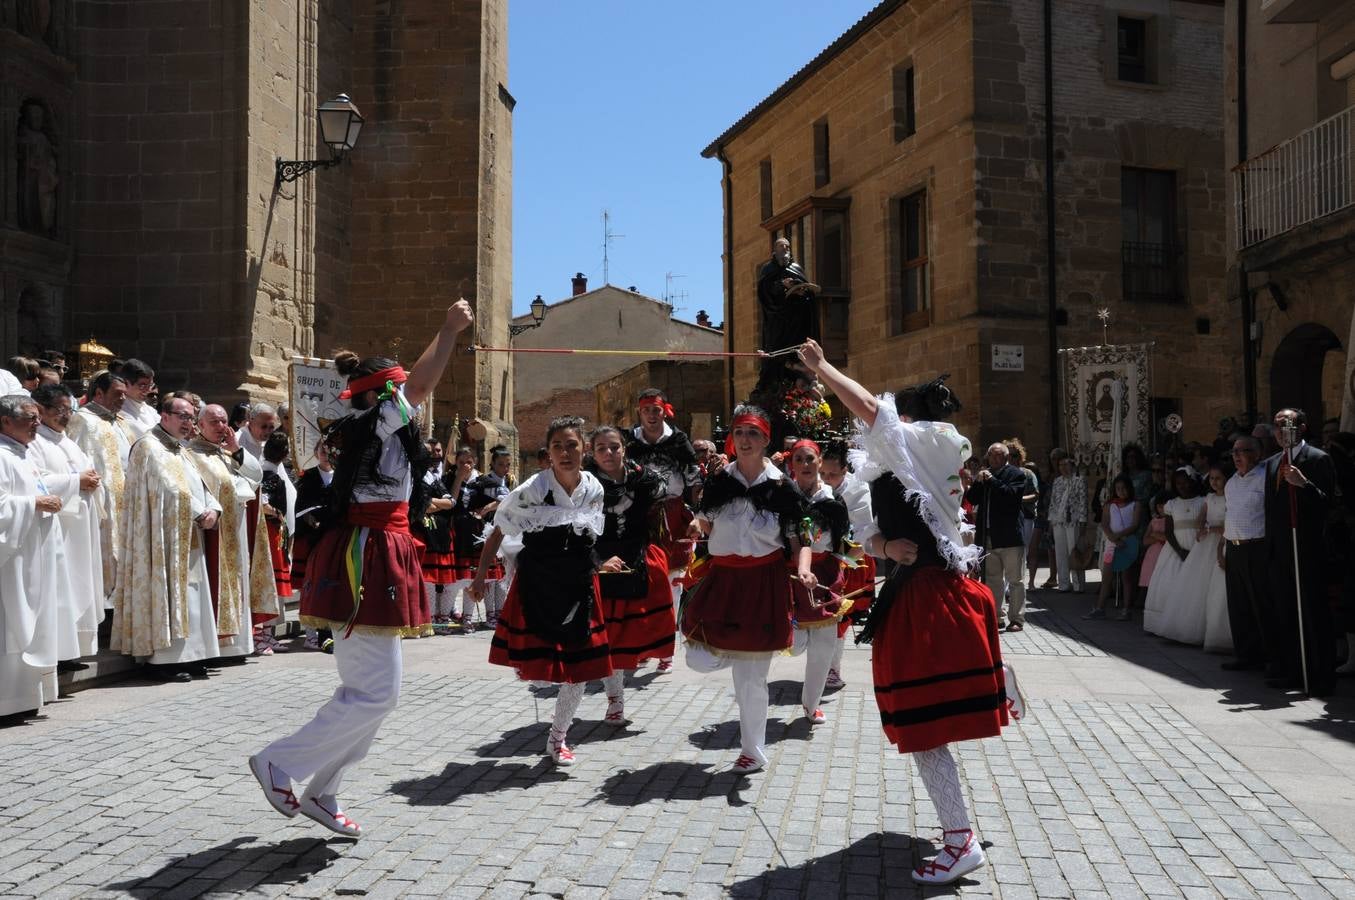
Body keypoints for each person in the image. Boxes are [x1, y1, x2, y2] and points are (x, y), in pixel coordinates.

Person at [798, 341, 1020, 886]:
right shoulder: (894, 466)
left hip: (931, 601)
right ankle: (999, 682)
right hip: (919, 593)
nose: (880, 422)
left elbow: (875, 414)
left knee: (924, 730)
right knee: (928, 727)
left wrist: (824, 368)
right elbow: (865, 534)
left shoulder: (932, 443)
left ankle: (959, 840)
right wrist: (884, 548)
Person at [249, 299, 473, 837]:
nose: (411, 403)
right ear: (379, 396)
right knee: (371, 691)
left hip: (380, 546)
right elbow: (416, 387)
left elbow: (412, 389)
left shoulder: (380, 425)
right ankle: (279, 761)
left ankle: (324, 791)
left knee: (381, 693)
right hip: (365, 553)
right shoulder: (376, 421)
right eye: (396, 392)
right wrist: (447, 330)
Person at [475, 416, 614, 766]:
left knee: (580, 668)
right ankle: (555, 736)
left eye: (571, 445)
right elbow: (498, 532)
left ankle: (558, 737)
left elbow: (589, 536)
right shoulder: (534, 489)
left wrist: (600, 562)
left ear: (583, 448)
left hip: (579, 585)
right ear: (548, 453)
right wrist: (479, 578)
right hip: (538, 583)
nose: (565, 452)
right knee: (545, 661)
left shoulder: (594, 488)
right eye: (557, 446)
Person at [681, 404, 804, 773]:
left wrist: (805, 570)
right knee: (697, 658)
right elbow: (703, 520)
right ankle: (734, 653)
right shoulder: (719, 482)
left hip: (764, 582)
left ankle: (752, 751)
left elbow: (800, 537)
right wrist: (694, 524)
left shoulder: (783, 487)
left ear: (766, 440)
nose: (745, 440)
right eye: (739, 433)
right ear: (731, 440)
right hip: (724, 579)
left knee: (752, 678)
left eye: (753, 433)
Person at [110, 395, 222, 683]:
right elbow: (168, 488)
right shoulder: (149, 446)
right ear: (165, 416)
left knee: (192, 595)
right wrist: (201, 511)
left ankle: (194, 655)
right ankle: (162, 661)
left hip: (187, 531)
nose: (188, 423)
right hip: (160, 537)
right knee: (170, 592)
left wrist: (214, 507)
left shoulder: (180, 449)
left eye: (191, 417)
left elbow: (199, 484)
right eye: (183, 416)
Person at [583, 426, 674, 721]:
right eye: (601, 449)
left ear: (624, 448)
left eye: (614, 447)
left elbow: (663, 510)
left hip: (637, 559)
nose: (608, 454)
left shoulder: (645, 479)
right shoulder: (584, 484)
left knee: (627, 636)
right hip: (598, 561)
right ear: (592, 452)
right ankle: (611, 700)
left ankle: (618, 699)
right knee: (603, 638)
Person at [189, 404, 278, 661]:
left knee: (238, 581)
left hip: (236, 531)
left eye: (224, 422)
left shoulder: (227, 453)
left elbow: (256, 476)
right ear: (200, 425)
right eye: (214, 422)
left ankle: (239, 644)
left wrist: (236, 450)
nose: (221, 427)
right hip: (213, 533)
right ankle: (219, 644)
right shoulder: (190, 454)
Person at [626, 388, 700, 673]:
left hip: (672, 515)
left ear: (664, 410)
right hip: (641, 515)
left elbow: (694, 478)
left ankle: (666, 648)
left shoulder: (678, 441)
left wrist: (700, 515)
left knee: (672, 585)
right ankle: (644, 645)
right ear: (639, 412)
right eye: (646, 410)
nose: (652, 415)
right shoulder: (630, 441)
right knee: (643, 582)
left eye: (656, 410)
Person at [29, 384, 103, 664]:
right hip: (57, 528)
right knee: (61, 589)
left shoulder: (69, 442)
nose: (65, 416)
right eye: (59, 410)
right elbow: (37, 483)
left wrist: (93, 482)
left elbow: (87, 475)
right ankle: (59, 652)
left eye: (68, 409)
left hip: (81, 528)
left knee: (80, 584)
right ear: (42, 410)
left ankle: (75, 649)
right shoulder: (35, 442)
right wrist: (77, 481)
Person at [1264, 408, 1335, 694]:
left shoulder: (1318, 459)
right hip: (1281, 550)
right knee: (1286, 613)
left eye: (1287, 425)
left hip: (1308, 549)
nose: (1282, 431)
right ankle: (1293, 671)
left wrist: (1303, 484)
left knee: (1313, 613)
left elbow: (1328, 504)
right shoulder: (1271, 464)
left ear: (1302, 428)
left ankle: (1321, 677)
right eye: (1278, 426)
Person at [0, 394, 63, 717]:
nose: (37, 423)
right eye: (30, 417)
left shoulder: (22, 454)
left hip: (31, 553)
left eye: (38, 417)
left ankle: (24, 699)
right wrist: (34, 504)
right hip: (10, 561)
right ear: (5, 421)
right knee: (9, 625)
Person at [784, 438, 852, 725]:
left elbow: (842, 539)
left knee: (823, 647)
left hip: (825, 575)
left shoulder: (833, 500)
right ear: (792, 465)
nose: (805, 464)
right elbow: (791, 540)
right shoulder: (784, 498)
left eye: (810, 458)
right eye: (799, 459)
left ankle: (811, 705)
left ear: (820, 462)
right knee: (795, 643)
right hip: (790, 575)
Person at [66, 371, 131, 610]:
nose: (122, 399)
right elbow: (76, 457)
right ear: (99, 393)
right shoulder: (83, 419)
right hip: (100, 502)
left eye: (125, 394)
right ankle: (101, 610)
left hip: (124, 501)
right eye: (117, 394)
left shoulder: (121, 422)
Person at [819, 442, 879, 690]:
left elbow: (863, 535)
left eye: (832, 474)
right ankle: (821, 665)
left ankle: (832, 669)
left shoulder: (858, 489)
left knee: (838, 617)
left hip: (851, 557)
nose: (826, 479)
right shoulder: (818, 485)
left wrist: (833, 553)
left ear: (845, 470)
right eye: (823, 473)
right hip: (820, 557)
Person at [964, 442, 1027, 631]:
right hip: (988, 536)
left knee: (1015, 579)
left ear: (1006, 458)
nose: (995, 459)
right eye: (992, 455)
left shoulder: (1016, 474)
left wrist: (992, 481)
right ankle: (996, 616)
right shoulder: (985, 476)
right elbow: (972, 499)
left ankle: (1016, 618)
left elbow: (1011, 497)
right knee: (992, 579)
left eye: (999, 455)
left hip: (1009, 537)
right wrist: (977, 482)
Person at [1221, 436, 1268, 671]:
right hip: (1234, 547)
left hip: (1257, 547)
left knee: (1261, 603)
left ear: (1257, 454)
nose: (1237, 456)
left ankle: (1269, 657)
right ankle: (1245, 654)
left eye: (1243, 451)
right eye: (1234, 451)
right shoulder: (1231, 482)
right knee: (1238, 605)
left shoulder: (1264, 479)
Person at [1142, 469, 1205, 637]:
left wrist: (1196, 551)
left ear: (1193, 481)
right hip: (1176, 549)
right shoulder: (1172, 505)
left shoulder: (1202, 502)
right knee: (1169, 584)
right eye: (1178, 483)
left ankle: (1190, 626)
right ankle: (1165, 624)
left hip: (1197, 549)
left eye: (1185, 482)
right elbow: (1169, 531)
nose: (1182, 486)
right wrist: (1180, 551)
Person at [1177, 465, 1231, 653]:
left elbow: (1229, 524)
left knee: (1217, 586)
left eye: (1218, 478)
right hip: (1206, 543)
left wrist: (1212, 529)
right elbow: (1202, 518)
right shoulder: (1209, 498)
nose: (1214, 482)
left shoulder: (1231, 498)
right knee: (1198, 585)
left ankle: (1219, 632)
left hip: (1223, 541)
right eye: (1212, 478)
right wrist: (1201, 527)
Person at [755, 237, 819, 388]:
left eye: (787, 247)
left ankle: (798, 376)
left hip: (796, 320)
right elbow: (764, 292)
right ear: (775, 250)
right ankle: (774, 384)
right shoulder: (767, 269)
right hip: (776, 320)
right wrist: (780, 285)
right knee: (776, 352)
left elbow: (807, 292)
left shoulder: (796, 267)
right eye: (782, 246)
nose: (785, 249)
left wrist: (803, 292)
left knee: (795, 349)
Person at [293, 440, 335, 652]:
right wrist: (315, 522)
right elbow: (300, 507)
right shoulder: (307, 477)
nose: (326, 454)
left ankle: (330, 631)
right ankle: (310, 635)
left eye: (329, 451)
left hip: (334, 538)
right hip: (312, 538)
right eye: (322, 451)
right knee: (309, 586)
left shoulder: (342, 476)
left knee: (331, 586)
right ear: (316, 453)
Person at [465, 447, 513, 628]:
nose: (505, 468)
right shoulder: (485, 482)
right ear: (492, 463)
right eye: (501, 464)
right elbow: (504, 499)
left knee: (501, 575)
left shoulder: (507, 481)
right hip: (488, 531)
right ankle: (490, 613)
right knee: (491, 576)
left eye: (508, 465)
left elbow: (508, 500)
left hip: (504, 531)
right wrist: (488, 508)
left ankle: (500, 611)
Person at [1082, 475, 1141, 620]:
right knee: (1107, 576)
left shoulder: (1135, 504)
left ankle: (1126, 609)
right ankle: (1100, 607)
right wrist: (1113, 538)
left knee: (1126, 577)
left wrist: (1120, 536)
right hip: (1111, 544)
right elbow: (1105, 524)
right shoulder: (1109, 505)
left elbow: (1135, 525)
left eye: (1124, 488)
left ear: (1129, 489)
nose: (1121, 491)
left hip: (1128, 543)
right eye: (1118, 488)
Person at [260, 432, 297, 610]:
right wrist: (277, 513)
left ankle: (266, 631)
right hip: (270, 532)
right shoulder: (270, 477)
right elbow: (263, 502)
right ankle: (264, 631)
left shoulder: (270, 474)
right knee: (269, 582)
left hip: (273, 532)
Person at [1048, 456, 1087, 592]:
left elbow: (1083, 502)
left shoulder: (1079, 480)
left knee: (1074, 551)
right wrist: (1051, 521)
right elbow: (1053, 502)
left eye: (1066, 464)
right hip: (1058, 520)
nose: (1063, 468)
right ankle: (1064, 584)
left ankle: (1078, 585)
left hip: (1074, 520)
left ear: (1072, 465)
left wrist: (1083, 521)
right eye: (1060, 465)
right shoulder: (1057, 481)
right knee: (1060, 552)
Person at [1138, 493, 1170, 612]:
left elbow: (1169, 537)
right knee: (1150, 580)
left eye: (1165, 505)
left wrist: (1157, 535)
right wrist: (1158, 537)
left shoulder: (1172, 520)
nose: (1162, 509)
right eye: (1159, 506)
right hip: (1152, 555)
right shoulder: (1154, 521)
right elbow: (1145, 540)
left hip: (1166, 554)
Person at [115, 359, 158, 438]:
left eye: (150, 385)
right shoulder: (117, 409)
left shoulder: (150, 410)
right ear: (126, 383)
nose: (148, 390)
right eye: (142, 385)